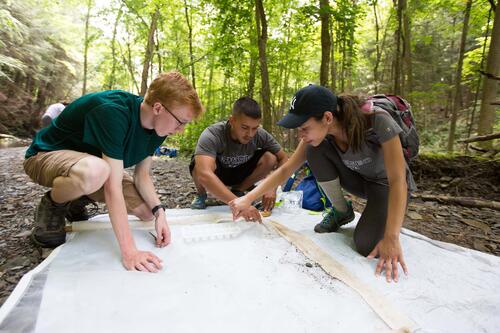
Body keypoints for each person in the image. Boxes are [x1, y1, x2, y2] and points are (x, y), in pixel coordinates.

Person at [230, 85, 416, 283]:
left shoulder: (377, 120)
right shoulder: (319, 134)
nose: (300, 134)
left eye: (304, 128)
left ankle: (382, 215)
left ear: (327, 118)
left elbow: (398, 181)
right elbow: (286, 169)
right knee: (312, 149)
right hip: (359, 180)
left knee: (366, 245)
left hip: (387, 186)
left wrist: (392, 236)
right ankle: (341, 211)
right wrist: (247, 199)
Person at [24, 71, 204, 273]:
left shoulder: (159, 128)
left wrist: (159, 212)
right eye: (181, 122)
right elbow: (112, 187)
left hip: (90, 166)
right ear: (158, 108)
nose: (181, 130)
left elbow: (142, 176)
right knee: (97, 171)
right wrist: (130, 252)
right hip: (44, 155)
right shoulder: (113, 112)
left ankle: (77, 197)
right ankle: (54, 203)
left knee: (146, 212)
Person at [189, 97, 288, 221]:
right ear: (232, 121)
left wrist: (272, 187)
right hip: (217, 173)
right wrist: (239, 204)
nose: (250, 134)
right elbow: (204, 174)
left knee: (270, 158)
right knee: (199, 165)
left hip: (240, 173)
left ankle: (238, 191)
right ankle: (201, 195)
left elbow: (284, 158)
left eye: (255, 128)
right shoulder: (213, 134)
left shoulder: (260, 135)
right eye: (245, 127)